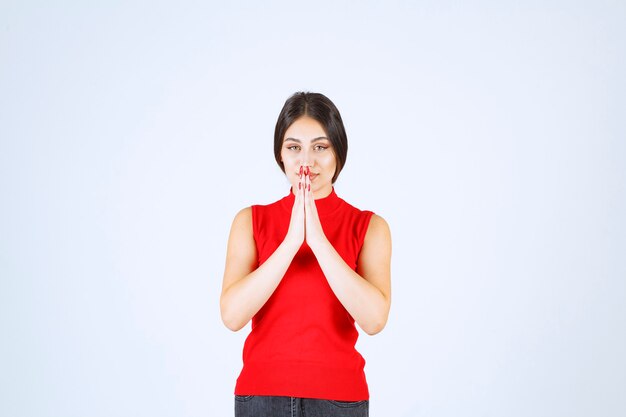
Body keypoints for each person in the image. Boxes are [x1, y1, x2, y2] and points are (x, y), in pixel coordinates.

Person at [220, 92, 392, 417]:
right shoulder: (250, 221)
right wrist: (290, 242)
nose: (306, 162)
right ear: (280, 155)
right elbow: (232, 316)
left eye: (320, 147)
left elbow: (374, 320)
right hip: (260, 396)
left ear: (338, 153)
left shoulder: (369, 227)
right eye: (294, 147)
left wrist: (317, 238)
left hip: (340, 399)